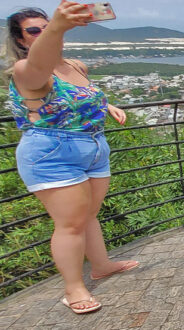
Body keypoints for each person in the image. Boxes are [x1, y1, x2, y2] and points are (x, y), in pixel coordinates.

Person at [6, 2, 139, 314]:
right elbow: (40, 68)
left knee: (87, 215)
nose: (41, 34)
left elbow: (78, 96)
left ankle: (102, 265)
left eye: (45, 27)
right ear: (21, 40)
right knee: (69, 224)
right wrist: (57, 27)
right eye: (33, 31)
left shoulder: (75, 66)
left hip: (93, 147)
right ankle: (73, 288)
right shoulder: (26, 70)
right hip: (53, 153)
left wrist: (107, 107)